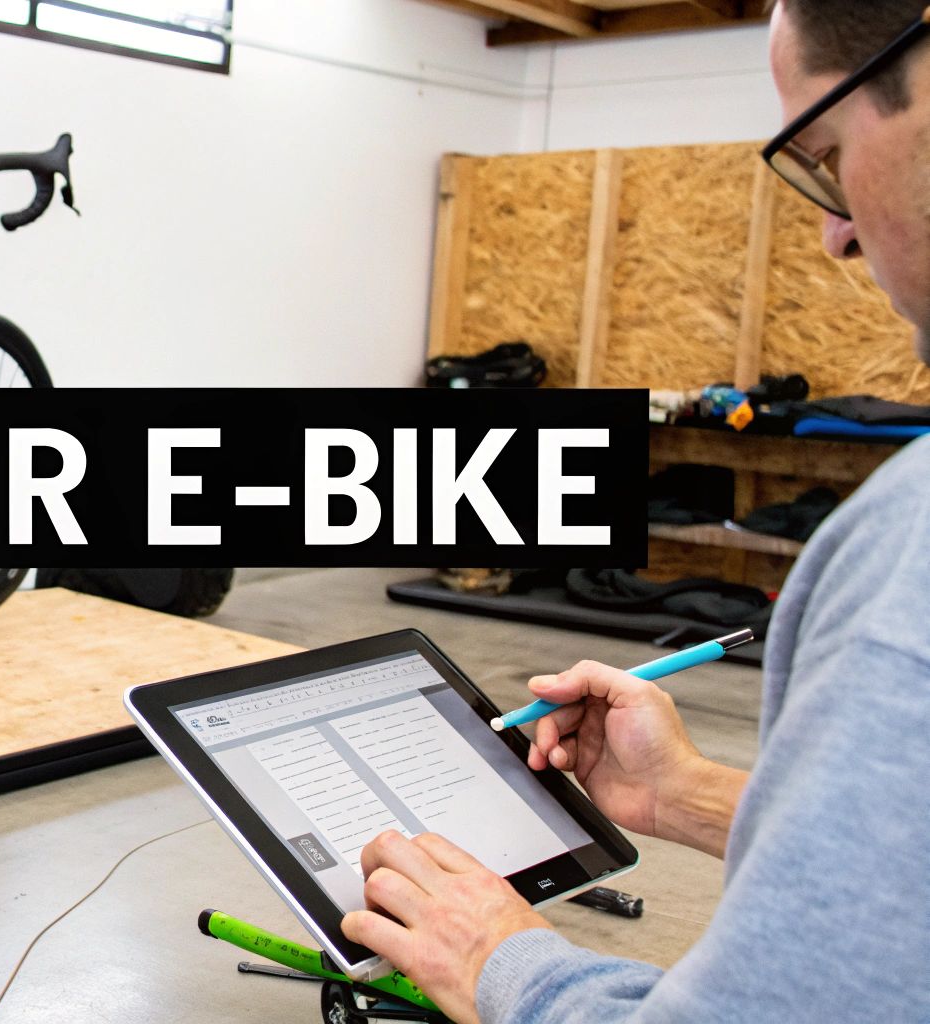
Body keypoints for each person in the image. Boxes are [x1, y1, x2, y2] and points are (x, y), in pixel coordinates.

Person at [340, 2, 930, 1020]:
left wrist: (502, 961)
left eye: (825, 156)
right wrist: (687, 794)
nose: (832, 232)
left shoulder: (906, 564)